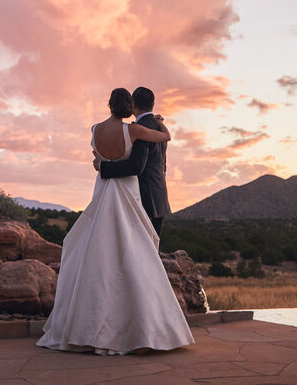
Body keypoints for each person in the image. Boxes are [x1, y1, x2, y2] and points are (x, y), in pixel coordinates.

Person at [36, 88, 194, 355]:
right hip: (127, 194)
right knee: (134, 255)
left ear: (110, 104)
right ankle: (133, 322)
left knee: (98, 252)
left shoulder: (95, 129)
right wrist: (162, 124)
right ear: (129, 106)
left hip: (103, 193)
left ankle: (86, 323)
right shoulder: (134, 132)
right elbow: (165, 137)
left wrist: (102, 165)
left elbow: (97, 158)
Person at [98, 86, 170, 237]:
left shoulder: (140, 129)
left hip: (143, 198)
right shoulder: (158, 126)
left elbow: (136, 166)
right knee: (151, 250)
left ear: (133, 104)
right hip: (159, 195)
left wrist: (103, 167)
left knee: (139, 250)